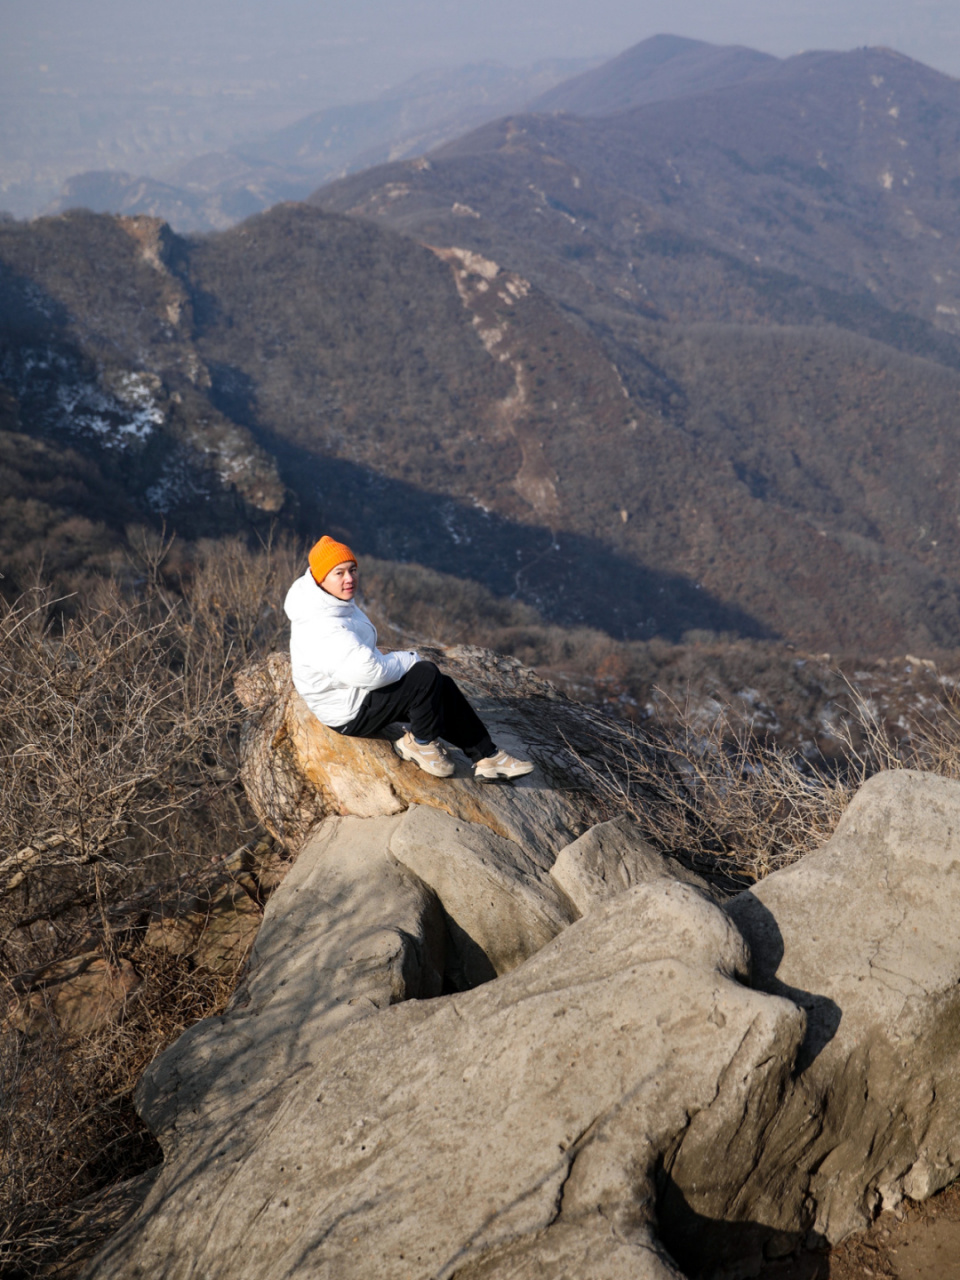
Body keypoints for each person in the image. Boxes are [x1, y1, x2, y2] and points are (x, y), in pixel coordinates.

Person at [284, 535, 534, 781]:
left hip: (352, 692)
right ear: (320, 578)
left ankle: (487, 756)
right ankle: (419, 743)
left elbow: (354, 659)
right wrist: (408, 658)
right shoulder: (323, 623)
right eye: (339, 573)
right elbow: (369, 673)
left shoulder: (329, 600)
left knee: (441, 685)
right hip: (348, 712)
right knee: (424, 674)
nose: (349, 579)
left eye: (352, 570)